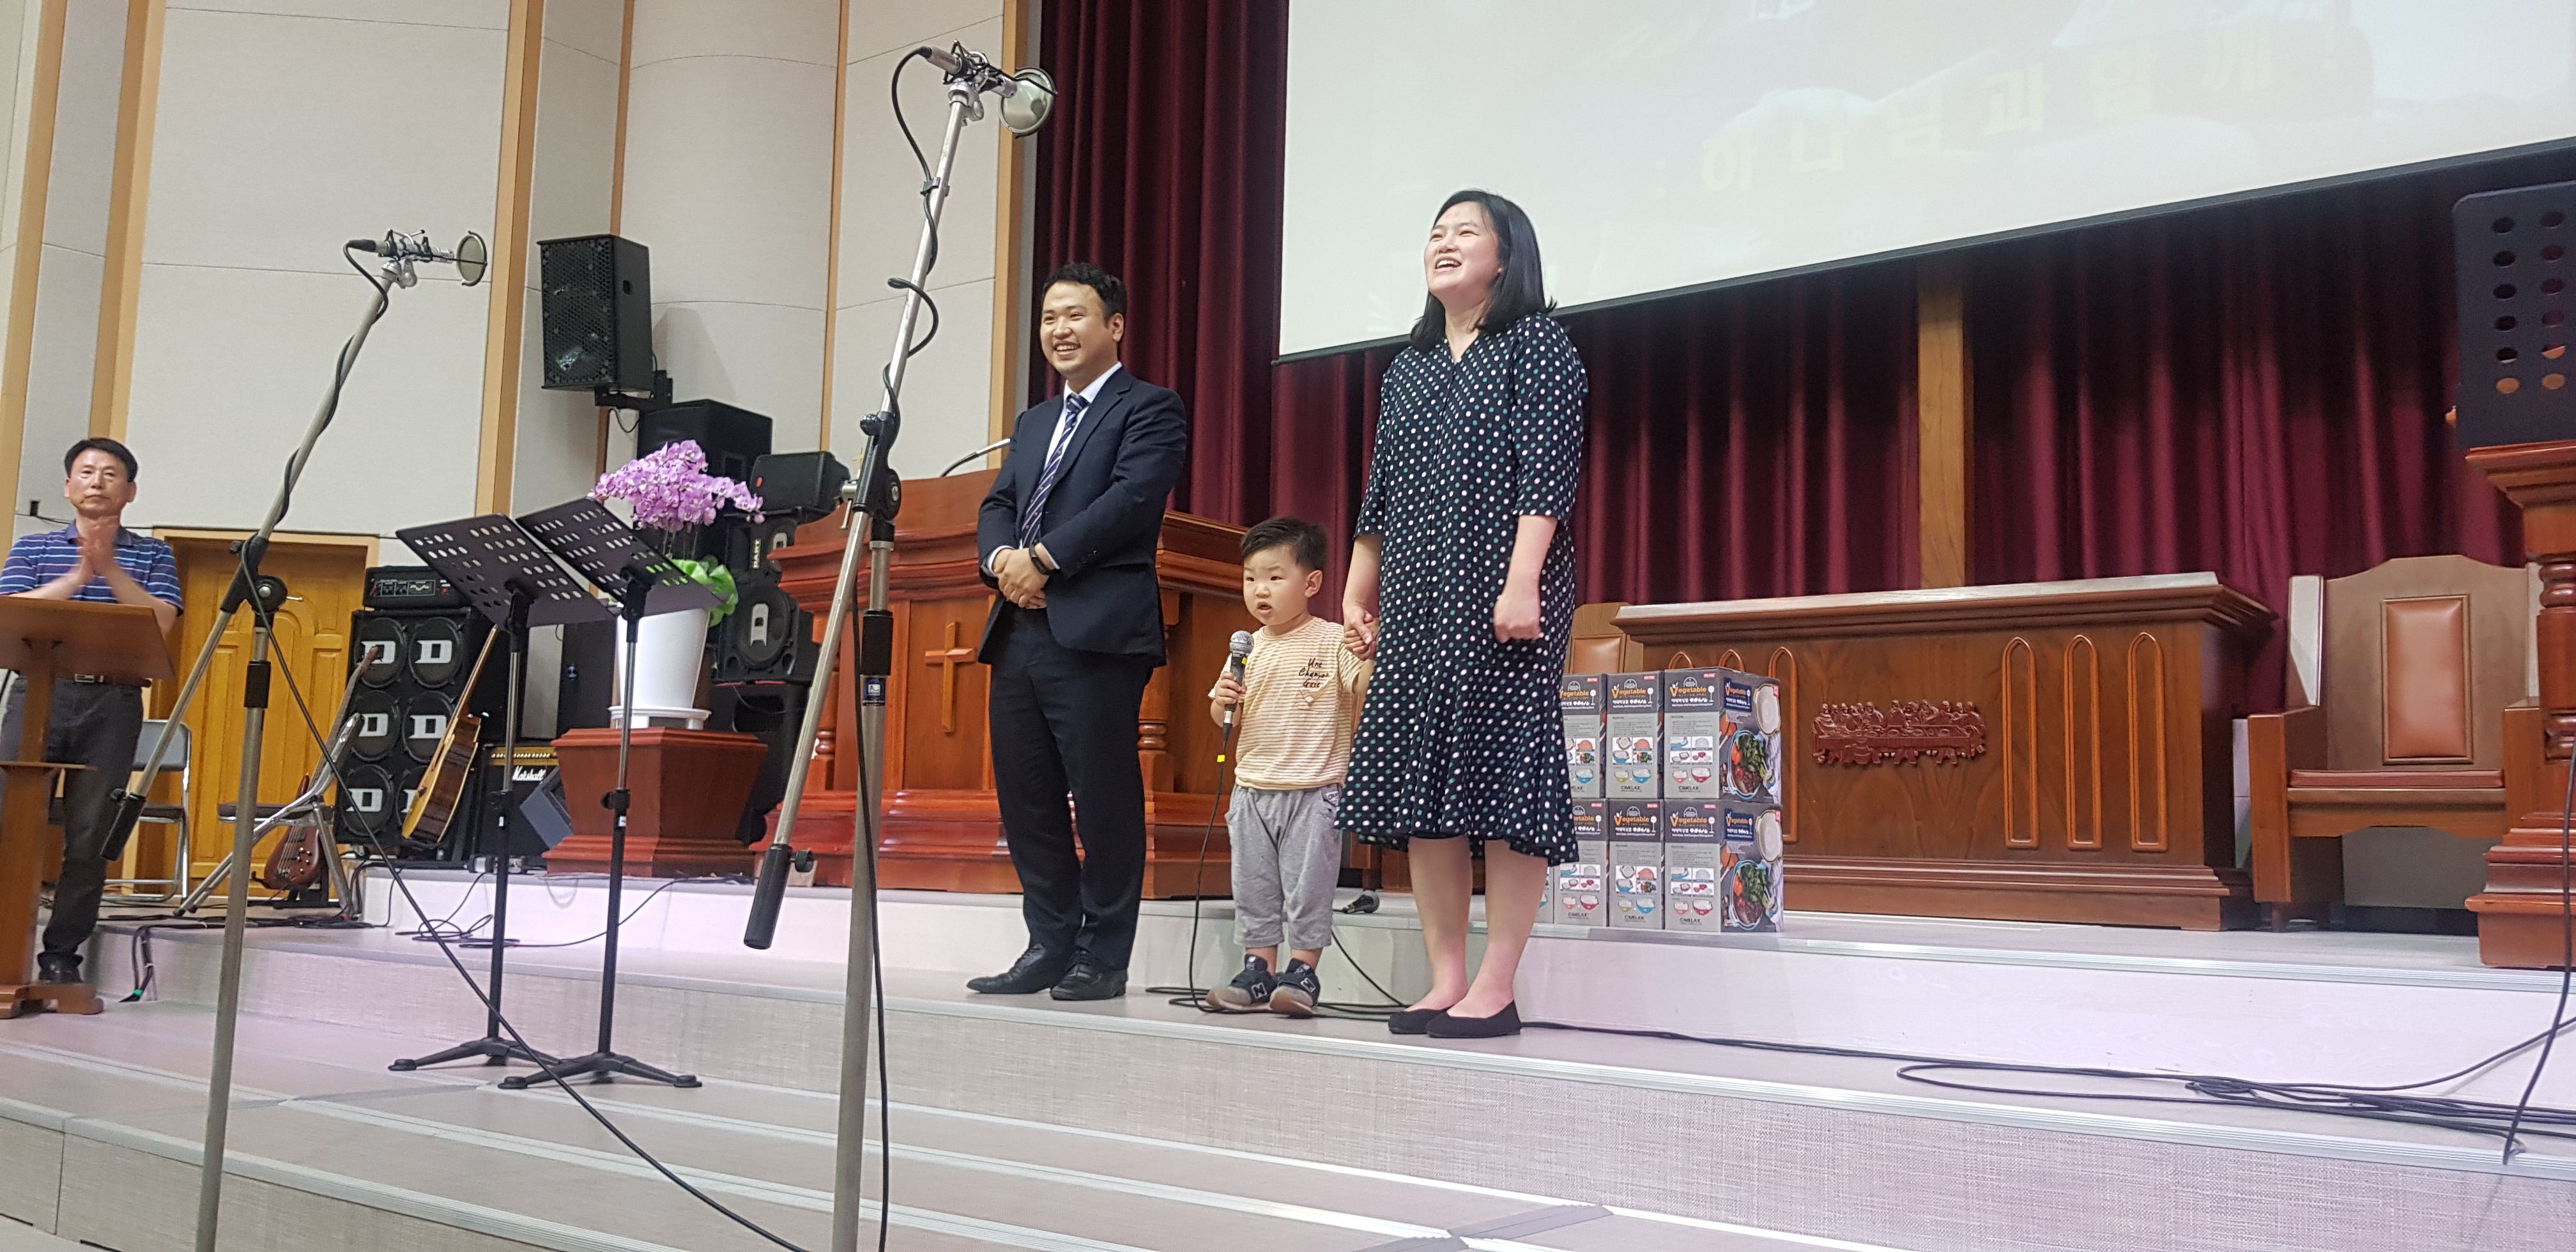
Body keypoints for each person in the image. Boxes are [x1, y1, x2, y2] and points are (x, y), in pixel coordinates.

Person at [1339, 190, 1588, 1040]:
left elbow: (1547, 471)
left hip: (1502, 591)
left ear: (1506, 256)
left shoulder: (1537, 343)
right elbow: (1380, 489)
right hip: (1415, 594)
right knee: (1422, 783)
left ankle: (1497, 983)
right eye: (1436, 232)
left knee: (1509, 779)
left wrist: (1522, 583)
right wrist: (1358, 586)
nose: (1443, 243)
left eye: (1465, 232)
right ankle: (1445, 977)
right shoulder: (1407, 366)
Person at [969, 263, 1190, 1002]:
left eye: (1075, 315)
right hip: (1019, 629)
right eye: (1048, 318)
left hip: (1096, 629)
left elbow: (1131, 499)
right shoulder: (1034, 422)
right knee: (1027, 797)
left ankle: (1104, 953)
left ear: (1114, 326)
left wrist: (1043, 559)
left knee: (1103, 797)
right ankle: (1049, 943)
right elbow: (999, 504)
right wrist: (1002, 560)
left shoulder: (1150, 407)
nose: (1059, 330)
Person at [0, 438, 184, 987]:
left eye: (109, 473)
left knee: (90, 834)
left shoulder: (152, 555)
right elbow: (10, 610)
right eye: (85, 472)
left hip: (113, 703)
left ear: (130, 492)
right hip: (40, 694)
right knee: (7, 822)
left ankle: (61, 955)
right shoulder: (34, 547)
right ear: (67, 486)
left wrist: (109, 570)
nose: (97, 481)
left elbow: (162, 620)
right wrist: (78, 578)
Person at [1205, 517, 1370, 1016]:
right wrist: (1222, 701)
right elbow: (1223, 715)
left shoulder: (1332, 639)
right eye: (1251, 578)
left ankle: (1301, 974)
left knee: (1307, 889)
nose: (1260, 590)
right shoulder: (1247, 648)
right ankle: (1258, 970)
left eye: (1275, 577)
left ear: (1312, 583)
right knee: (1254, 887)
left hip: (1313, 790)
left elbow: (1363, 687)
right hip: (1252, 791)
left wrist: (1370, 652)